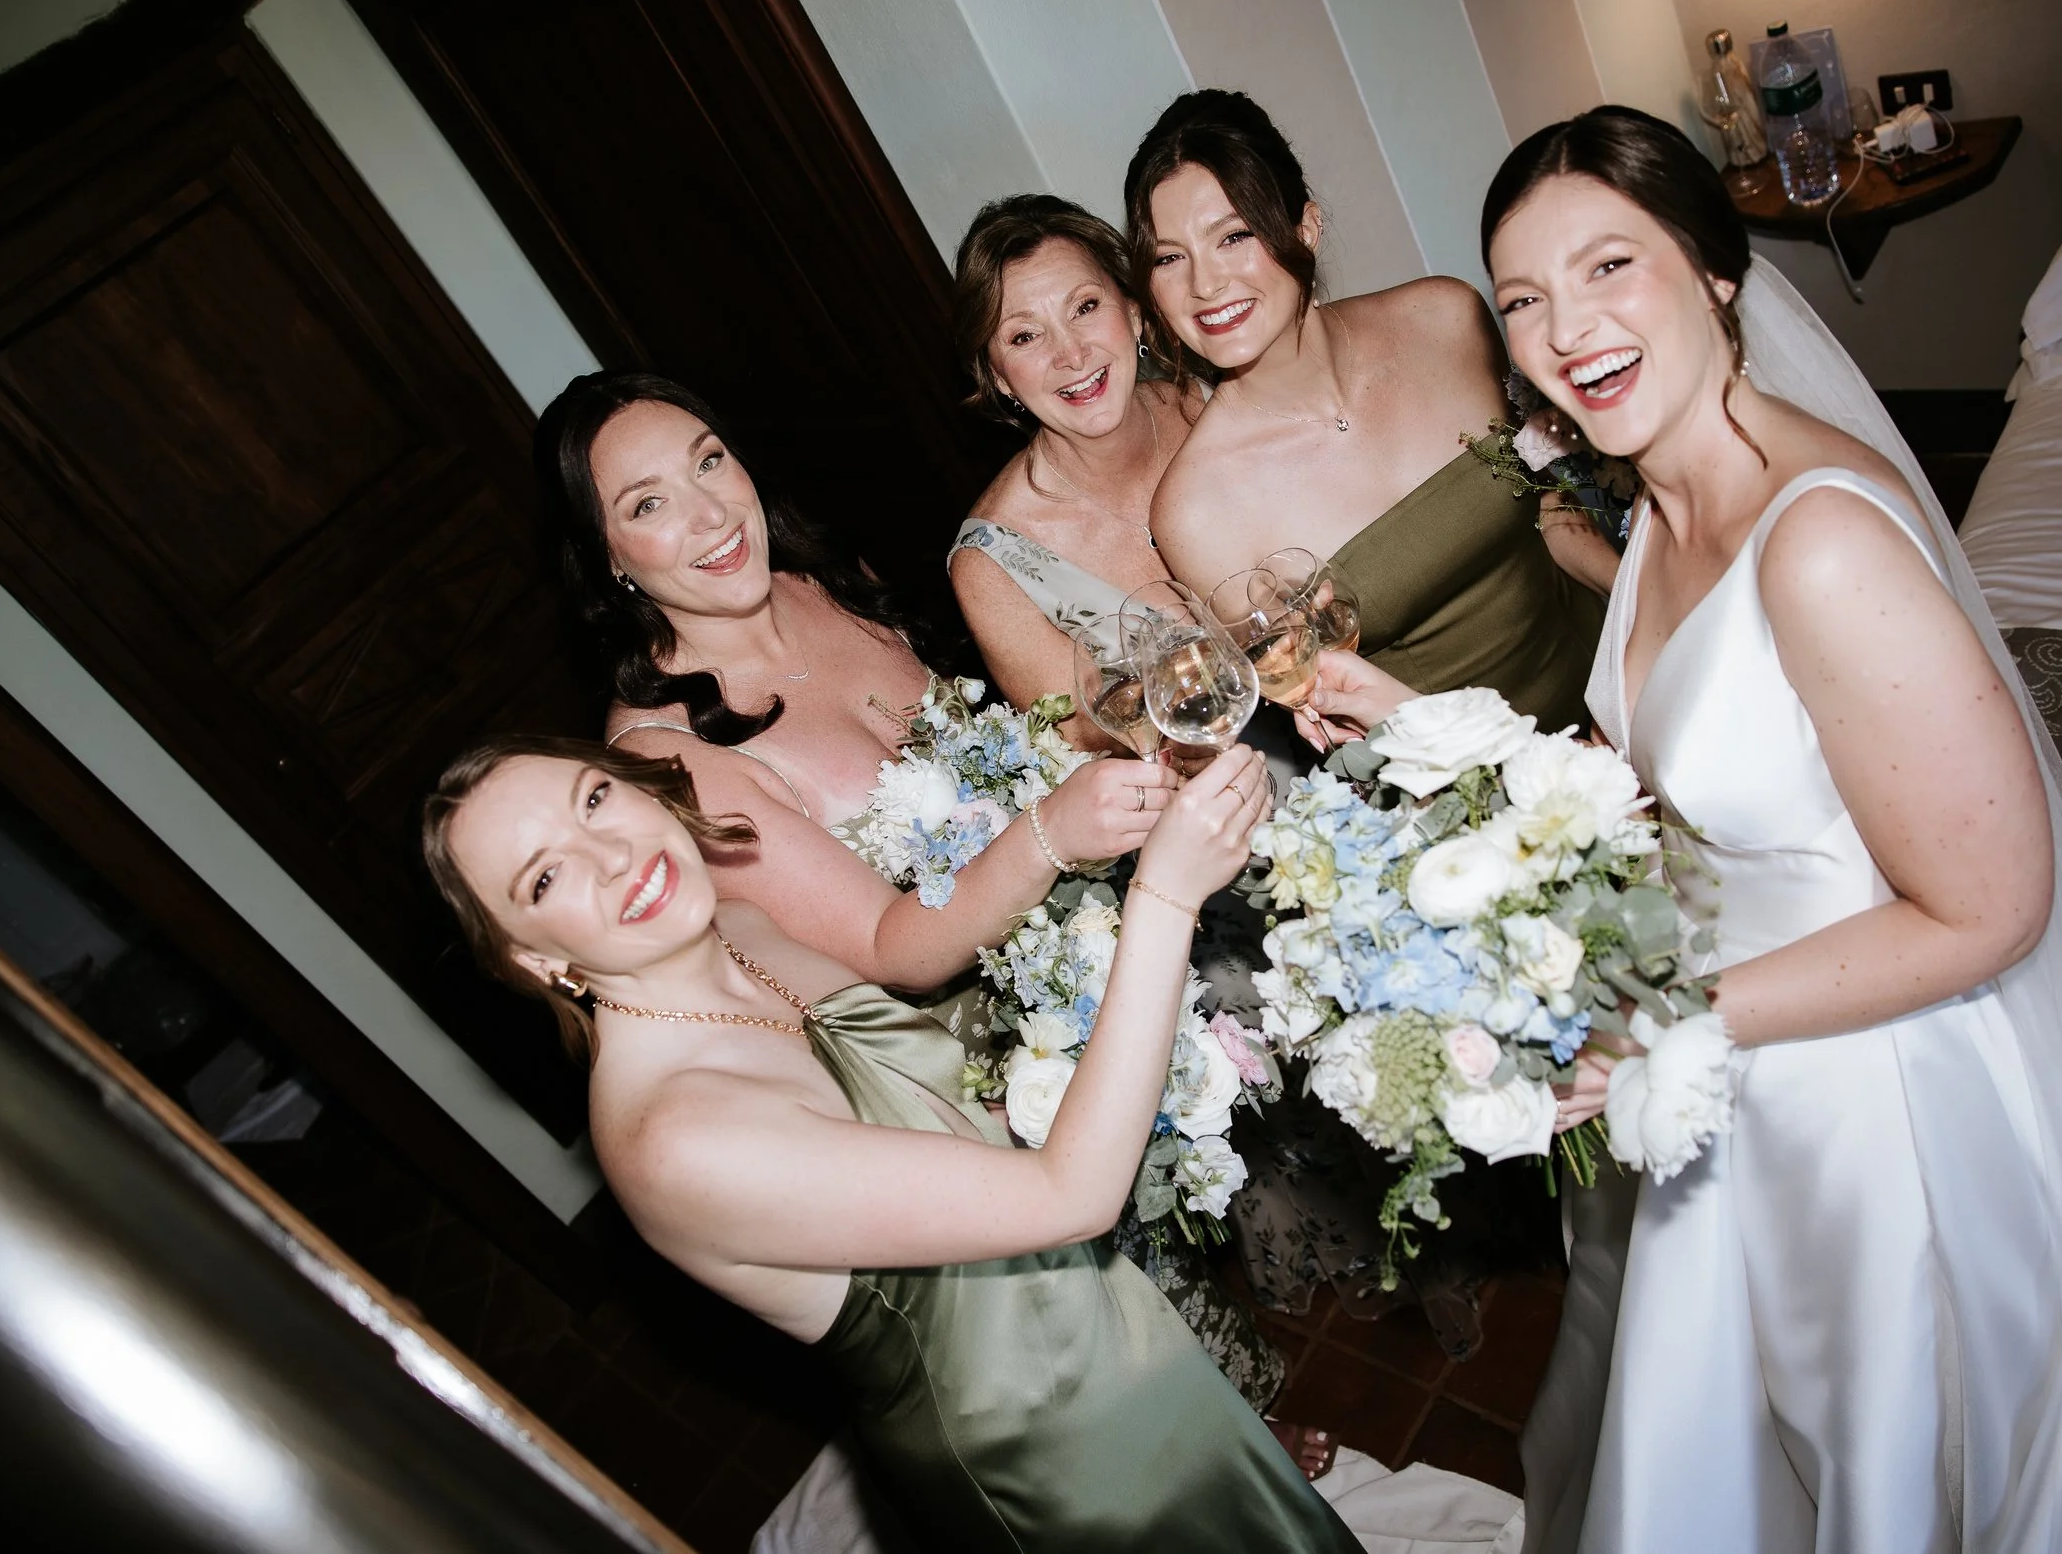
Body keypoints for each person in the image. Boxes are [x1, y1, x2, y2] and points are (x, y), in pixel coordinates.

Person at [1303, 106, 2062, 1553]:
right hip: (1749, 1073)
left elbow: (1990, 908)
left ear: (1717, 271)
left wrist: (1676, 1021)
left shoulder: (1825, 536)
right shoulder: (1659, 495)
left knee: (1904, 1434)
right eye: (1525, 299)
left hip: (1885, 1096)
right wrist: (1415, 717)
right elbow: (1654, 781)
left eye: (1611, 268)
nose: (1562, 331)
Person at [422, 735, 1361, 1550]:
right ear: (534, 959)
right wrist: (1166, 894)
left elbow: (959, 1123)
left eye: (594, 799)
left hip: (1113, 1335)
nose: (615, 854)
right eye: (544, 876)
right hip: (1055, 1450)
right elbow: (1065, 1196)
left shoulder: (741, 929)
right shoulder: (674, 1138)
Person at [533, 372, 1170, 999]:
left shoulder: (827, 580)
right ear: (607, 556)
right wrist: (1052, 832)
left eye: (708, 461)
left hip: (1124, 923)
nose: (710, 513)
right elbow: (885, 950)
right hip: (1000, 1061)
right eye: (649, 504)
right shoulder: (666, 756)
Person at [1126, 89, 1614, 737]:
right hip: (1479, 796)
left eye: (1234, 235)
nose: (1205, 285)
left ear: (1305, 225)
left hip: (1621, 680)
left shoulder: (1447, 319)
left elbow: (1551, 511)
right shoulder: (1196, 508)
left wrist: (1657, 603)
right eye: (1168, 257)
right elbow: (1331, 713)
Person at [947, 194, 1194, 743]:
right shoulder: (991, 567)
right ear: (1000, 378)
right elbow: (1090, 741)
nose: (1071, 354)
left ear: (1132, 310)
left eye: (1084, 307)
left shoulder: (1213, 407)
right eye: (1025, 336)